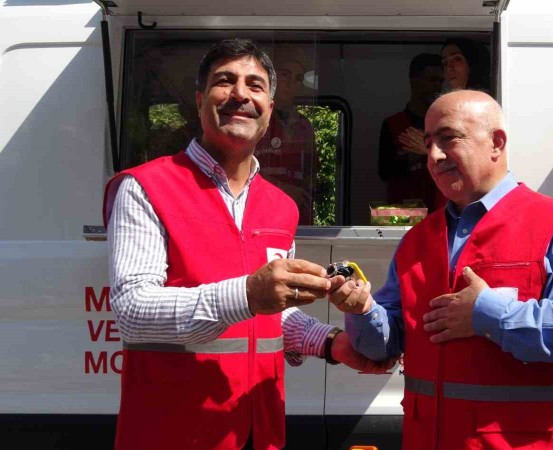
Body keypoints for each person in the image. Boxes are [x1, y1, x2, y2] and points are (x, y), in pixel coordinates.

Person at [103, 38, 391, 450]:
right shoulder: (145, 187)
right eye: (225, 81)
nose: (240, 93)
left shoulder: (281, 207)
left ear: (269, 109)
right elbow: (133, 312)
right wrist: (247, 294)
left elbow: (273, 315)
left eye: (255, 85)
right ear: (200, 100)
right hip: (174, 433)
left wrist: (330, 343)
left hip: (261, 430)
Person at [329, 90, 553, 449]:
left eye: (448, 138)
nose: (433, 156)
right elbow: (384, 347)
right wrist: (362, 311)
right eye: (429, 143)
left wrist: (487, 313)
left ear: (497, 143)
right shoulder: (417, 240)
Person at [255, 45, 318, 224]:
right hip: (261, 216)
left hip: (298, 220)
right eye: (285, 74)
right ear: (272, 77)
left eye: (298, 78)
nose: (291, 83)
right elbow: (238, 173)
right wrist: (281, 188)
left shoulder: (305, 126)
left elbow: (311, 176)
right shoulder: (255, 119)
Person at [378, 53, 445, 209]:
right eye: (432, 80)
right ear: (414, 81)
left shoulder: (444, 124)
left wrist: (427, 149)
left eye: (440, 81)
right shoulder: (392, 124)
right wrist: (414, 155)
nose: (437, 87)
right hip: (403, 214)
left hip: (439, 211)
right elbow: (384, 172)